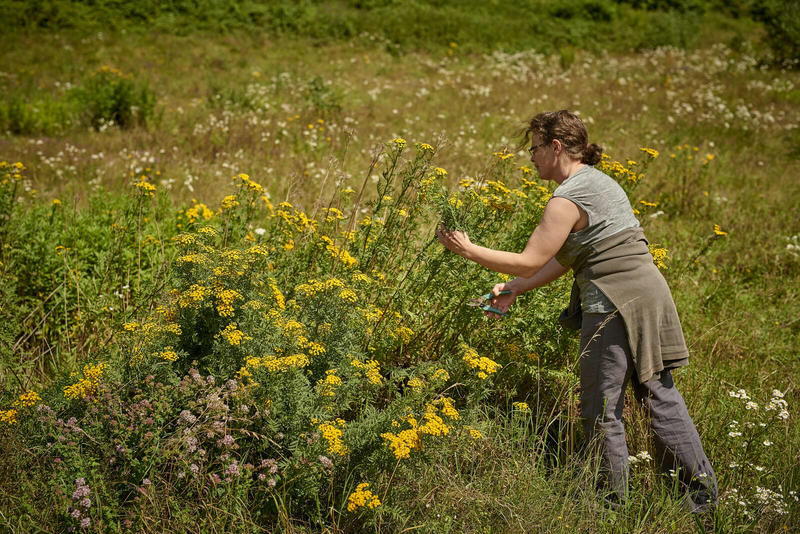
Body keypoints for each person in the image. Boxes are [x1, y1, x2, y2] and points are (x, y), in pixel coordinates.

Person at [435, 110, 717, 511]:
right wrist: (518, 287)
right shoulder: (599, 183)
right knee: (660, 396)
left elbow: (531, 258)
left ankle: (609, 507)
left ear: (556, 147)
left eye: (534, 148)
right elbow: (568, 258)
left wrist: (468, 250)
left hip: (614, 302)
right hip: (648, 293)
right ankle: (703, 505)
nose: (530, 157)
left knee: (601, 408)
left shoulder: (567, 199)